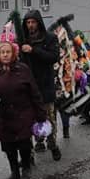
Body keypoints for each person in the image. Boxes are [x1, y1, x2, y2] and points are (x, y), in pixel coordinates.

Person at [0, 40, 47, 179]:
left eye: (8, 52)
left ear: (14, 53)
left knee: (23, 143)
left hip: (23, 112)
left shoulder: (23, 69)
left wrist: (40, 113)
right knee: (8, 145)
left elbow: (34, 92)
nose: (5, 55)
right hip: (4, 114)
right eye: (2, 52)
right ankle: (14, 170)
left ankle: (26, 168)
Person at [21, 10, 61, 160]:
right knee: (28, 121)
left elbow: (53, 57)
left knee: (49, 119)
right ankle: (29, 153)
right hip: (28, 87)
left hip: (45, 85)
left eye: (33, 22)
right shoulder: (22, 39)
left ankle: (53, 145)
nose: (31, 25)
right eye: (28, 23)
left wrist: (34, 50)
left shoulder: (50, 38)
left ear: (39, 22)